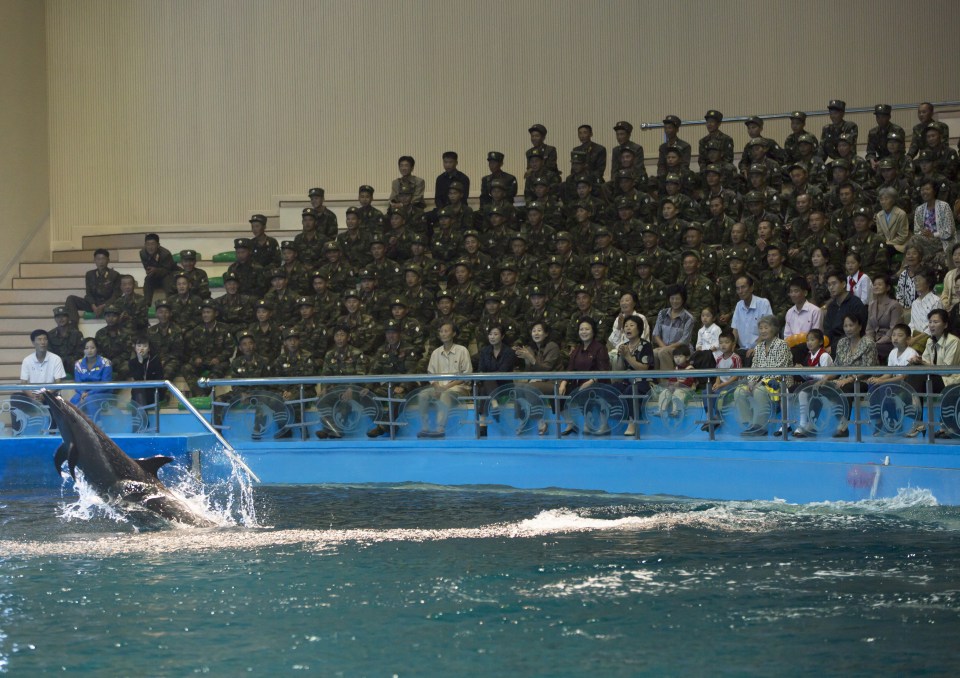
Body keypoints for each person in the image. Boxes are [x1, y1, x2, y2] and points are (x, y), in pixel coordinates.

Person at [735, 315, 792, 436]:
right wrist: (751, 381)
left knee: (760, 390)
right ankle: (751, 424)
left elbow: (779, 368)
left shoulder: (782, 345)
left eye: (766, 327)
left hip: (780, 382)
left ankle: (761, 426)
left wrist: (761, 382)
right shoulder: (759, 347)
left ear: (775, 329)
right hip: (761, 381)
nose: (763, 331)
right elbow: (754, 367)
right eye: (761, 328)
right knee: (739, 391)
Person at [827, 313, 878, 437]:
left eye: (851, 325)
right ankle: (809, 426)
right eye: (845, 326)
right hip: (842, 380)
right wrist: (825, 378)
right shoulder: (842, 343)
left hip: (863, 381)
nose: (848, 329)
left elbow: (868, 369)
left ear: (860, 327)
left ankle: (843, 427)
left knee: (845, 389)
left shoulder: (868, 343)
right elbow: (837, 366)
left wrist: (850, 379)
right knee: (820, 387)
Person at [558, 317, 611, 435]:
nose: (584, 332)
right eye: (581, 329)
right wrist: (563, 382)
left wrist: (591, 381)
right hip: (580, 384)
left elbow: (604, 370)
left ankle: (603, 424)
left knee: (588, 391)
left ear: (593, 331)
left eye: (587, 329)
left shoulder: (600, 348)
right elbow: (570, 369)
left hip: (599, 383)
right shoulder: (577, 349)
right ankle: (570, 423)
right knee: (558, 392)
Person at [420, 321, 472, 439]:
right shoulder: (435, 352)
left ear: (453, 334)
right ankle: (425, 427)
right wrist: (437, 386)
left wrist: (445, 388)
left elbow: (466, 375)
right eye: (441, 331)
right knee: (423, 395)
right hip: (439, 387)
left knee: (445, 395)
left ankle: (440, 428)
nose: (443, 334)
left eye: (446, 331)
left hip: (459, 388)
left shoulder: (462, 350)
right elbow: (431, 374)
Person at [514, 321, 561, 435]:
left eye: (539, 330)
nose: (536, 333)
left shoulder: (552, 346)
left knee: (530, 387)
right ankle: (522, 419)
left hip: (552, 382)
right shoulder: (530, 348)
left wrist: (531, 358)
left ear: (546, 334)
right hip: (536, 381)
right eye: (534, 331)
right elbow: (529, 370)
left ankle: (541, 421)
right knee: (519, 387)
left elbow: (546, 368)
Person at [613, 314, 653, 436]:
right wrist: (620, 357)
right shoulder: (624, 346)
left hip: (643, 382)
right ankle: (607, 421)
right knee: (613, 388)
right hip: (627, 380)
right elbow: (620, 370)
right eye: (625, 326)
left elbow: (644, 368)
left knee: (631, 390)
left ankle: (632, 422)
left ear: (639, 328)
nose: (628, 328)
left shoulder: (646, 346)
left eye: (631, 325)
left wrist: (628, 357)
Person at [791, 329, 834, 438]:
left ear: (820, 342)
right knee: (789, 389)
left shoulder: (824, 356)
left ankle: (803, 424)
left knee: (803, 393)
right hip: (812, 384)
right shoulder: (810, 356)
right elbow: (809, 376)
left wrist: (805, 371)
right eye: (807, 340)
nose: (809, 342)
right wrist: (800, 371)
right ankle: (786, 424)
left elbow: (824, 376)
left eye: (812, 340)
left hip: (826, 386)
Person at [64, 248, 120, 327]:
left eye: (103, 259)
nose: (101, 262)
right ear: (94, 260)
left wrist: (103, 306)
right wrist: (93, 306)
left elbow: (116, 295)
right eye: (98, 259)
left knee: (118, 306)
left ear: (108, 260)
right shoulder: (90, 274)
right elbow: (88, 293)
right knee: (71, 299)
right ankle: (73, 326)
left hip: (108, 305)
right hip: (93, 305)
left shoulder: (115, 275)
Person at [476, 326, 517, 433]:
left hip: (504, 385)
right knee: (486, 384)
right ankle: (494, 404)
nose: (492, 337)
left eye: (495, 334)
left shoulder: (509, 352)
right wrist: (485, 375)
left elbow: (502, 371)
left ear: (502, 336)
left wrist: (487, 375)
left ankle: (482, 424)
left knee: (486, 385)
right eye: (490, 334)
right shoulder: (485, 351)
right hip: (489, 384)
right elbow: (480, 369)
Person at [651, 285, 695, 370]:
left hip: (682, 350)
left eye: (677, 299)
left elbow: (684, 340)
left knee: (662, 352)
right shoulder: (662, 313)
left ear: (683, 299)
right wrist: (664, 347)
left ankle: (667, 381)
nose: (674, 301)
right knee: (654, 352)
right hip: (664, 347)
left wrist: (666, 349)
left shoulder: (688, 318)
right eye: (672, 298)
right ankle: (656, 380)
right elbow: (656, 334)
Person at [730, 275, 773, 361]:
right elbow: (735, 330)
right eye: (738, 288)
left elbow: (768, 329)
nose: (740, 291)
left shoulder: (763, 303)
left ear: (751, 288)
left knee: (750, 359)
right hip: (742, 350)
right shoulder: (739, 305)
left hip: (762, 348)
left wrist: (756, 348)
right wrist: (731, 349)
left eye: (743, 287)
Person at [823, 269, 868, 350]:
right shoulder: (831, 306)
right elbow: (827, 330)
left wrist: (833, 347)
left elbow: (857, 331)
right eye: (829, 285)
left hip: (850, 343)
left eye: (834, 283)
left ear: (843, 284)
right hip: (831, 343)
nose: (831, 287)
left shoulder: (855, 303)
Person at [913, 178, 957, 257]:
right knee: (914, 240)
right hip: (924, 241)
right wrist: (923, 234)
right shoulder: (919, 209)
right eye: (922, 190)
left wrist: (933, 235)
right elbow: (916, 231)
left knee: (914, 241)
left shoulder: (944, 206)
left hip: (942, 242)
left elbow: (949, 231)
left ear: (934, 191)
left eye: (927, 189)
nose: (924, 192)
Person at [866, 276, 903, 363]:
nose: (876, 287)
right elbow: (869, 328)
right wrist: (870, 341)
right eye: (874, 285)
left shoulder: (894, 305)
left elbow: (894, 329)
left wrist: (877, 343)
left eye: (879, 284)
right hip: (874, 340)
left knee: (873, 349)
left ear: (888, 287)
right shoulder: (871, 305)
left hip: (890, 341)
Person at [20, 329, 66, 394]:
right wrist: (33, 397)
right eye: (39, 339)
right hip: (33, 395)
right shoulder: (27, 360)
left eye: (45, 339)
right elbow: (23, 384)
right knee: (15, 397)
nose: (43, 342)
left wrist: (45, 396)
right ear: (33, 342)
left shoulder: (56, 359)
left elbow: (58, 383)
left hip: (50, 395)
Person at [70, 337, 113, 406]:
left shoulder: (106, 362)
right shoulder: (78, 364)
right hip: (83, 393)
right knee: (74, 401)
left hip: (101, 393)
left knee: (90, 400)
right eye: (86, 348)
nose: (89, 350)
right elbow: (78, 384)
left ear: (97, 349)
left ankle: (92, 417)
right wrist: (83, 393)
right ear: (83, 350)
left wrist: (89, 394)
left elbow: (105, 385)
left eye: (92, 348)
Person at [907, 269, 942, 353]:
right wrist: (910, 337)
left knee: (910, 353)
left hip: (930, 338)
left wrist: (915, 339)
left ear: (929, 282)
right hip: (915, 337)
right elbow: (912, 324)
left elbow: (935, 326)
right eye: (915, 280)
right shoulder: (915, 303)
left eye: (919, 280)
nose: (916, 283)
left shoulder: (936, 301)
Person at [139, 233, 178, 306]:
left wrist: (156, 270)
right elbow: (146, 267)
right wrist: (150, 271)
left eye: (153, 244)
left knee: (167, 280)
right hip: (155, 275)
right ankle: (147, 303)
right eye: (148, 244)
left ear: (158, 245)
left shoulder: (165, 254)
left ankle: (170, 302)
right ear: (145, 245)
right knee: (148, 279)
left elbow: (168, 270)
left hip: (168, 274)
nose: (150, 247)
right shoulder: (142, 253)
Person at [127, 335, 164, 409]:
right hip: (138, 392)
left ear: (149, 348)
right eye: (139, 346)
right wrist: (140, 362)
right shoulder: (132, 362)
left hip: (153, 391)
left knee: (140, 394)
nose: (141, 349)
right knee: (138, 391)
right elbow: (138, 378)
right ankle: (143, 420)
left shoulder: (155, 360)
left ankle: (142, 420)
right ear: (135, 348)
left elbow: (159, 378)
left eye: (145, 346)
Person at [47, 306, 84, 378]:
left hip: (72, 364)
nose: (61, 319)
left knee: (79, 366)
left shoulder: (77, 334)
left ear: (68, 318)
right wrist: (58, 360)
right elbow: (49, 353)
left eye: (63, 316)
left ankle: (81, 388)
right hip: (56, 364)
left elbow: (80, 353)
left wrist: (66, 360)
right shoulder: (50, 335)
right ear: (55, 319)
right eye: (58, 317)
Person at [875, 187, 910, 253]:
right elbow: (880, 235)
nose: (883, 202)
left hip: (899, 245)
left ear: (893, 200)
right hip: (885, 245)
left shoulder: (901, 214)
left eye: (886, 199)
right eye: (881, 199)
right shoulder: (879, 215)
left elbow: (903, 236)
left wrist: (887, 243)